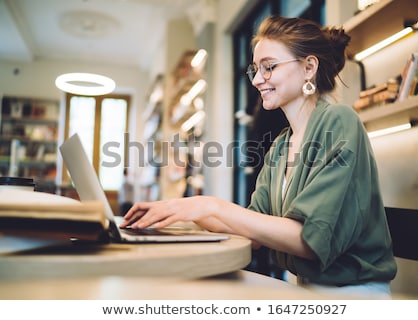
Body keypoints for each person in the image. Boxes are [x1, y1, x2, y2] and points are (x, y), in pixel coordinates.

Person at [121, 16, 397, 298]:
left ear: (309, 67)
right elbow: (253, 230)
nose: (256, 80)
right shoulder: (280, 146)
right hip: (306, 290)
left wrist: (213, 206)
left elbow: (309, 241)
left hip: (355, 295)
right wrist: (184, 212)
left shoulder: (340, 121)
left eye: (269, 67)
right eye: (255, 69)